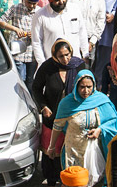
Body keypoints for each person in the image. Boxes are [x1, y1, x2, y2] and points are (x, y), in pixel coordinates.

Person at [47, 70, 117, 185]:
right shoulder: (67, 103)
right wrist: (51, 146)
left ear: (94, 86)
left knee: (94, 180)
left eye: (89, 87)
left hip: (95, 149)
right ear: (76, 85)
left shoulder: (101, 101)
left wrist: (100, 129)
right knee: (75, 181)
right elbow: (57, 126)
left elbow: (112, 120)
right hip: (73, 151)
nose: (86, 91)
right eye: (82, 87)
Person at [32, 39, 87, 186]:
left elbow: (88, 86)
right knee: (51, 151)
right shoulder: (47, 67)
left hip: (73, 116)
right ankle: (52, 179)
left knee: (70, 150)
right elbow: (36, 88)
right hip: (53, 117)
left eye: (67, 54)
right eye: (61, 56)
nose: (65, 59)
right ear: (55, 56)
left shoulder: (78, 65)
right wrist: (43, 106)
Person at [32, 0, 90, 65]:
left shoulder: (75, 9)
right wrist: (43, 64)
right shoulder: (40, 15)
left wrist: (85, 54)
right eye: (57, 0)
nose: (61, 2)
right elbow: (36, 42)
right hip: (53, 64)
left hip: (75, 62)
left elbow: (82, 32)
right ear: (51, 1)